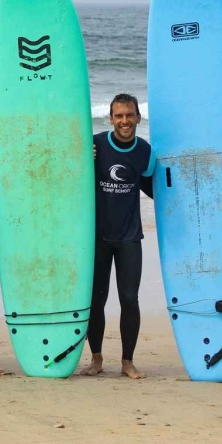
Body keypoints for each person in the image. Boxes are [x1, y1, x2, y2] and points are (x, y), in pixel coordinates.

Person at [80, 94, 154, 379]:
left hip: (128, 237)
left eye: (129, 115)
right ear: (110, 119)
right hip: (97, 237)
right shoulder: (95, 144)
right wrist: (83, 156)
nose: (124, 121)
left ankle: (127, 361)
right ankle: (97, 359)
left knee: (129, 299)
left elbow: (153, 188)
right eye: (119, 116)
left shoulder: (144, 151)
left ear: (138, 117)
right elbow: (71, 174)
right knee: (96, 300)